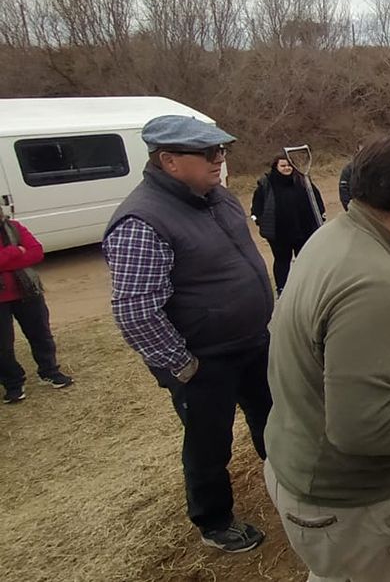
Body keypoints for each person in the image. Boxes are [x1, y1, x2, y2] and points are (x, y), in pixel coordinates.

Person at [264, 130, 390, 581]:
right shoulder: (376, 288)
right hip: (356, 505)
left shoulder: (332, 237)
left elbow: (342, 300)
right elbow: (363, 426)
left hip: (302, 472)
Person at [103, 115, 275, 553]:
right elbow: (136, 311)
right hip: (204, 359)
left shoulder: (219, 197)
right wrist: (182, 365)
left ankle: (285, 477)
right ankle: (214, 521)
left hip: (252, 343)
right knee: (208, 442)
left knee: (274, 417)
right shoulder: (142, 221)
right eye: (209, 153)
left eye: (222, 150)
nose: (220, 160)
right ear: (169, 161)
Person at [0, 214, 73, 404]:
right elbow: (24, 255)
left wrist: (5, 259)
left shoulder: (14, 227)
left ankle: (49, 371)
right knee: (2, 345)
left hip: (28, 291)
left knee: (41, 334)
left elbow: (36, 252)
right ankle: (13, 383)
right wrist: (16, 251)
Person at [251, 154, 325, 295]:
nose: (287, 168)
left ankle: (305, 287)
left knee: (304, 260)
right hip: (279, 233)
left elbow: (315, 198)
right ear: (276, 167)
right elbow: (257, 204)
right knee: (282, 261)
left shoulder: (302, 180)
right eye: (283, 166)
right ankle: (282, 289)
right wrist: (258, 219)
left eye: (289, 165)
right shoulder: (267, 183)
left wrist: (321, 213)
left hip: (302, 229)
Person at [338, 140, 364, 211]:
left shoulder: (377, 168)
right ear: (357, 151)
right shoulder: (348, 170)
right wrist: (349, 209)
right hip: (355, 211)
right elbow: (344, 191)